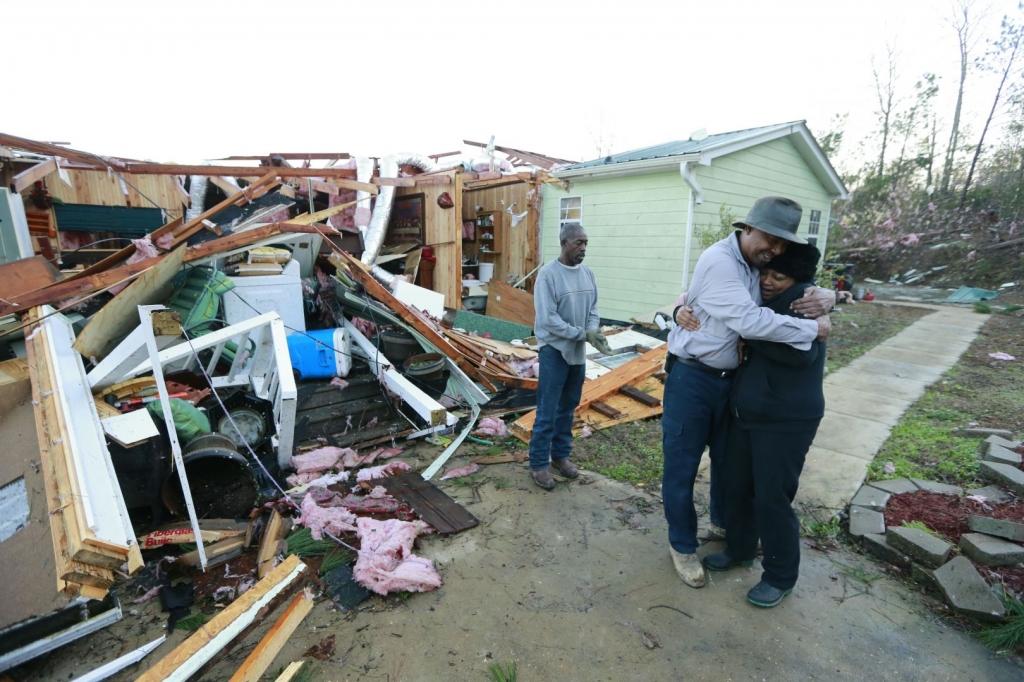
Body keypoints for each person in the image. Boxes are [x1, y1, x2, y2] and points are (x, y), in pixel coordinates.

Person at [662, 196, 833, 588]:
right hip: (693, 379)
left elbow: (795, 284)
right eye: (769, 238)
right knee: (682, 466)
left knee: (729, 466)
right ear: (748, 228)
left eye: (781, 244)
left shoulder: (757, 265)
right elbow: (748, 320)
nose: (773, 250)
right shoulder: (722, 260)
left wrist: (830, 297)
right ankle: (683, 546)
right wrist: (815, 330)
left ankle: (726, 529)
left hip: (732, 382)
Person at [702, 243, 826, 608]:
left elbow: (804, 353)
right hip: (749, 414)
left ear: (798, 279)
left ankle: (780, 576)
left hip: (786, 420)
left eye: (779, 276)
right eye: (767, 273)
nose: (768, 281)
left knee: (772, 498)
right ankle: (739, 549)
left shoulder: (803, 303)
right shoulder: (760, 298)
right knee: (735, 485)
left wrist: (748, 333)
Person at [530, 222, 612, 490]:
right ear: (564, 243)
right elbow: (548, 320)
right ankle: (539, 463)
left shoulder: (587, 273)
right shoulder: (548, 275)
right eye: (579, 243)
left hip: (577, 352)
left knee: (567, 408)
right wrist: (583, 335)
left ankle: (560, 456)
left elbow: (594, 308)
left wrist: (592, 331)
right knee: (548, 410)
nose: (584, 248)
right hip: (554, 351)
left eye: (586, 243)